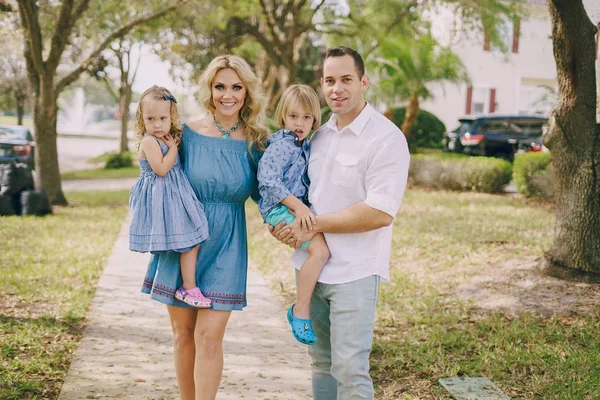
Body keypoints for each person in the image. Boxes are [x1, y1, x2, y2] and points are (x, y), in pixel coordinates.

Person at [270, 46, 410, 399]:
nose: (337, 88)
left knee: (350, 369)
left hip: (355, 272)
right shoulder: (314, 136)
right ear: (322, 84)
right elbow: (294, 193)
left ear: (363, 81)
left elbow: (380, 212)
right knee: (320, 362)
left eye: (346, 79)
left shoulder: (386, 138)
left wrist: (314, 225)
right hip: (312, 268)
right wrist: (281, 227)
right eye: (330, 81)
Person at [141, 56, 267, 400]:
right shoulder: (187, 134)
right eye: (220, 86)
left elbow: (268, 193)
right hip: (183, 242)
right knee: (183, 334)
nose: (228, 95)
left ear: (247, 92)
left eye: (236, 87)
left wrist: (291, 223)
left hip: (228, 243)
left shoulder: (257, 140)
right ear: (210, 90)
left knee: (209, 337)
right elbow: (159, 177)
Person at [257, 84, 330, 346]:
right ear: (283, 116)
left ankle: (301, 308)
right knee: (320, 251)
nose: (300, 123)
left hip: (291, 206)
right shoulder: (283, 145)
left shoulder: (304, 145)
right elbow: (267, 180)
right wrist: (298, 207)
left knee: (321, 250)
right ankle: (300, 310)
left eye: (307, 117)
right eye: (293, 116)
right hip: (279, 208)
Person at [129, 85, 211, 308]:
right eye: (150, 119)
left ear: (171, 116)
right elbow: (162, 169)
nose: (157, 124)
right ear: (141, 119)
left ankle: (188, 286)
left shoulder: (165, 137)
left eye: (162, 118)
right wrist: (173, 148)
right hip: (162, 198)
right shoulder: (149, 141)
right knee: (188, 241)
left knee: (192, 240)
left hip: (174, 195)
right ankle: (188, 287)